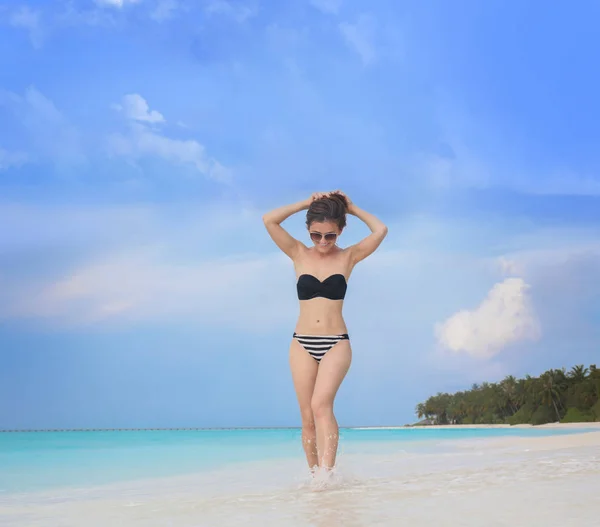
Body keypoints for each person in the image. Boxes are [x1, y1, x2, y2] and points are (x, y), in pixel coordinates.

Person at [262, 190, 388, 473]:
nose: (322, 242)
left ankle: (327, 476)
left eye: (330, 235)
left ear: (341, 230)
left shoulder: (349, 257)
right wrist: (305, 203)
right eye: (316, 235)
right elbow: (269, 220)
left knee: (321, 405)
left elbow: (381, 229)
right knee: (307, 417)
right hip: (301, 343)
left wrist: (352, 207)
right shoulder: (297, 253)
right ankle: (314, 477)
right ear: (308, 230)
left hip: (336, 343)